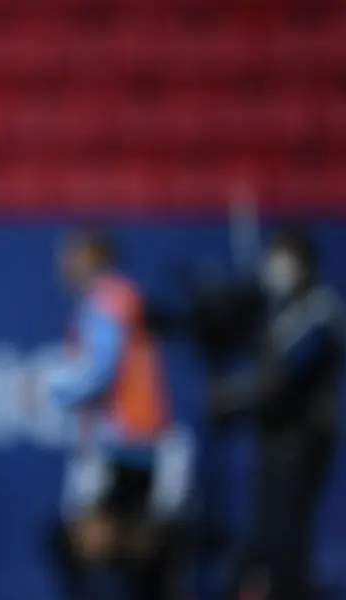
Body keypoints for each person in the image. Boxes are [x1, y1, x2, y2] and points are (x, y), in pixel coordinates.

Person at [29, 229, 178, 600]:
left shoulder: (106, 301)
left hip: (121, 445)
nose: (62, 265)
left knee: (87, 546)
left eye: (69, 254)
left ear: (93, 255)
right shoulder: (124, 298)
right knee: (127, 550)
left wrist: (47, 385)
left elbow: (99, 370)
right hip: (138, 443)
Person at [210, 227, 343, 600]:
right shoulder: (274, 310)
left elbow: (286, 376)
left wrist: (237, 398)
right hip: (271, 438)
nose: (275, 266)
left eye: (283, 256)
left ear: (303, 262)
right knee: (266, 535)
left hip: (301, 440)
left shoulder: (321, 309)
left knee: (287, 537)